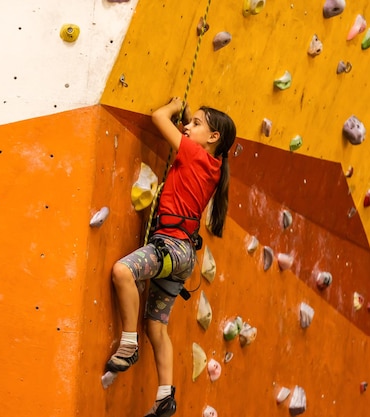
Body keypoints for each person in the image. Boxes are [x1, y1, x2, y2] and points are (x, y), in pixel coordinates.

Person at [106, 97, 236, 417]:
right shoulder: (214, 166)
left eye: (195, 124)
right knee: (157, 327)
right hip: (184, 257)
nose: (187, 127)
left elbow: (158, 117)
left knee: (123, 271)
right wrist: (193, 122)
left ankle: (128, 343)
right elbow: (194, 137)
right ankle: (165, 395)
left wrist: (176, 105)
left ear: (212, 138)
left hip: (170, 248)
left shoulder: (192, 152)